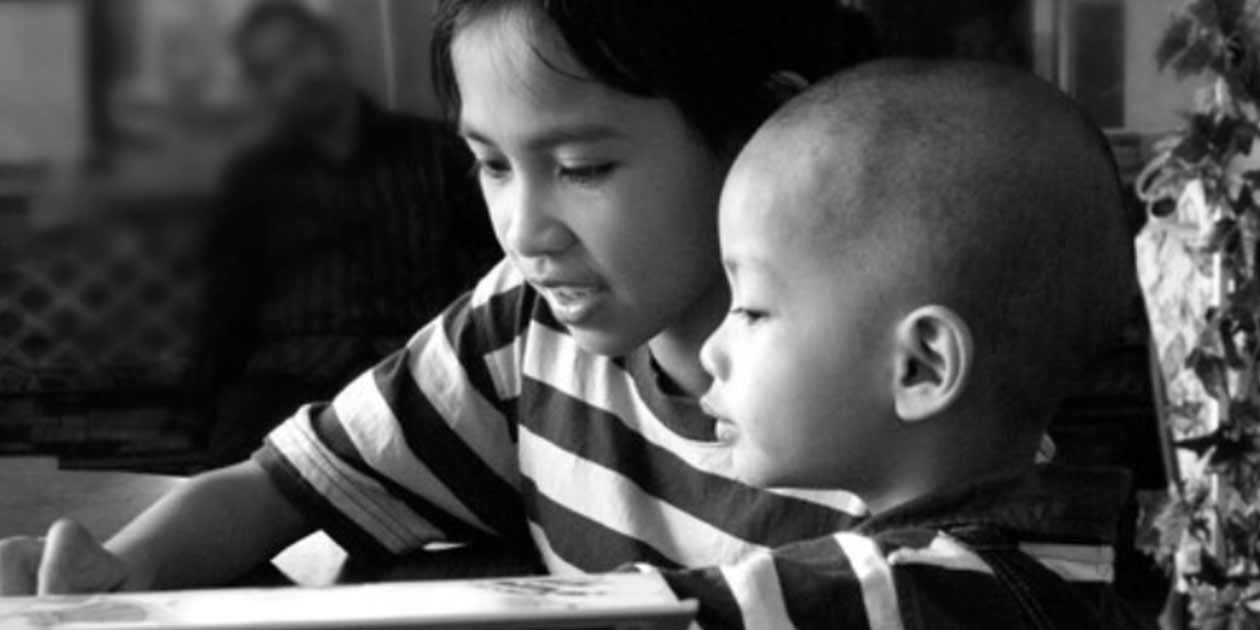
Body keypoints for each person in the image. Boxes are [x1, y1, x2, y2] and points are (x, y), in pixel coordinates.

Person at [0, 0, 879, 600]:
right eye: (492, 165)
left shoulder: (892, 388)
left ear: (766, 134)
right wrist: (120, 578)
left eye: (582, 169)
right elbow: (280, 486)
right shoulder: (523, 323)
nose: (523, 230)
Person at [644, 59, 1152, 628]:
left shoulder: (895, 591)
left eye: (752, 311)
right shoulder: (1071, 569)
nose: (713, 350)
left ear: (921, 365)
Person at [184, 0, 499, 464]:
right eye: (273, 69)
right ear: (262, 88)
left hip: (415, 372)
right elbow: (227, 311)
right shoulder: (256, 180)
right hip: (290, 377)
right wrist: (202, 411)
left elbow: (493, 267)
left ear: (331, 49)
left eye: (299, 51)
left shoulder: (437, 153)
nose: (296, 73)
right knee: (232, 480)